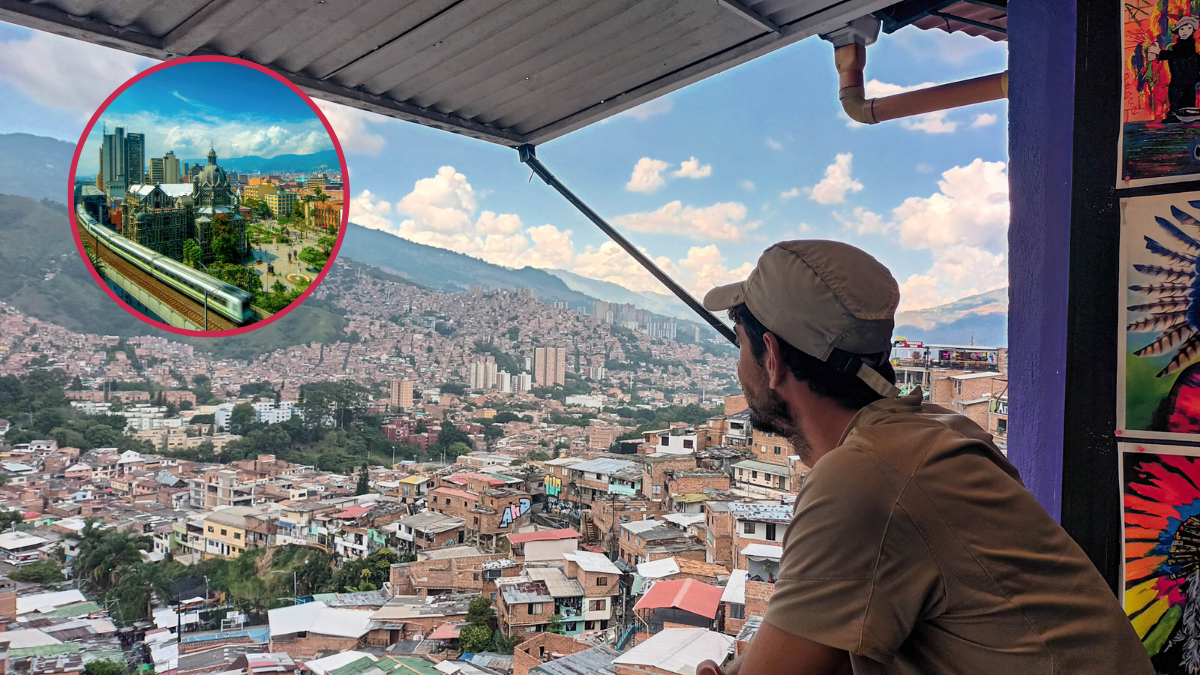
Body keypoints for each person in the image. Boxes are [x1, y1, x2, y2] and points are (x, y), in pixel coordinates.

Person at [699, 241, 1152, 675]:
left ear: (772, 358)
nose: (740, 368)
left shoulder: (864, 479)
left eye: (741, 344)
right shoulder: (937, 429)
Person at [1149, 15, 1200, 122]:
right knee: (1175, 95)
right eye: (1182, 29)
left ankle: (1184, 115)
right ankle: (1175, 114)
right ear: (1178, 31)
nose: (1185, 31)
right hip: (1178, 77)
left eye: (1189, 28)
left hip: (1187, 77)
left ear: (1193, 30)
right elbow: (1176, 55)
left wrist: (1160, 53)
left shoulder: (1189, 45)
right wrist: (1159, 54)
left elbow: (1179, 55)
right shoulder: (1178, 46)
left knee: (1187, 95)